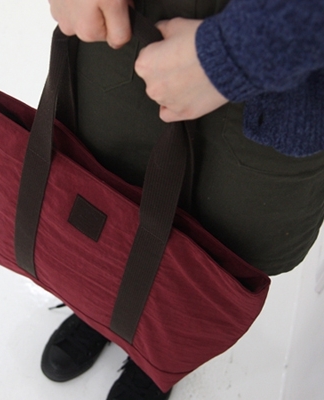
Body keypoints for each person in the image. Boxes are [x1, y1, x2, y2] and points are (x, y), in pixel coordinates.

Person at [41, 0, 324, 399]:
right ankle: (97, 305)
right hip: (131, 19)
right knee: (106, 189)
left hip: (289, 73)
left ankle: (159, 351)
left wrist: (233, 54)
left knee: (221, 245)